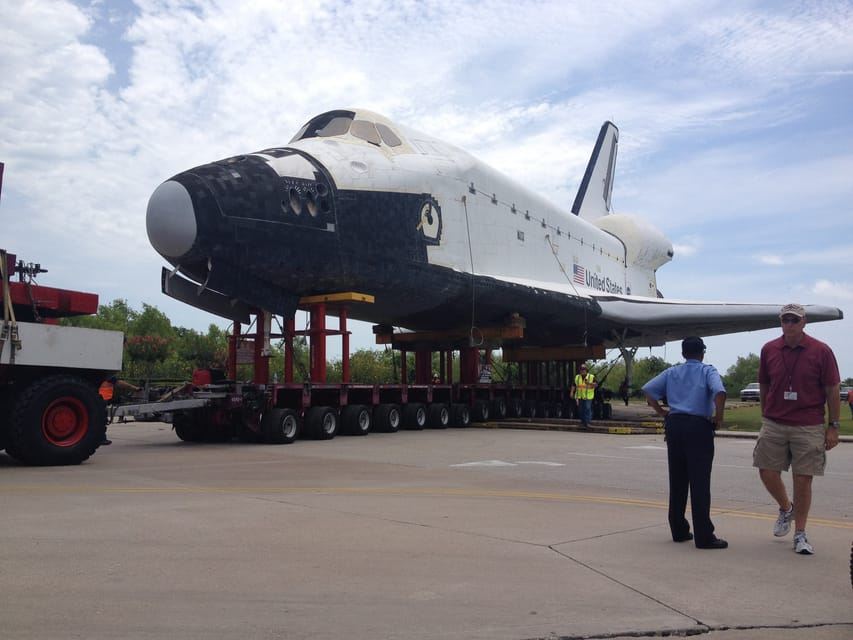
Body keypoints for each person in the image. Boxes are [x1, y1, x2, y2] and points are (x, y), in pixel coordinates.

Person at [753, 303, 841, 555]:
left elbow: (832, 389)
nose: (789, 324)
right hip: (775, 422)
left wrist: (833, 426)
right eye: (785, 320)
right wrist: (764, 413)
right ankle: (785, 508)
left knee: (803, 479)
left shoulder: (821, 351)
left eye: (794, 320)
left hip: (808, 424)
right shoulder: (769, 349)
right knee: (766, 470)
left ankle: (800, 534)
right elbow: (764, 383)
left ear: (804, 322)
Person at [642, 336, 728, 549]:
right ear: (703, 352)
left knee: (678, 480)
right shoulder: (708, 371)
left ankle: (679, 529)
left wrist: (662, 412)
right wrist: (719, 417)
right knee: (699, 482)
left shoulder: (672, 372)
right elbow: (719, 392)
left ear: (683, 354)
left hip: (675, 425)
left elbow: (648, 389)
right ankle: (704, 535)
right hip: (698, 426)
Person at [571, 363, 596, 429]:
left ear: (586, 370)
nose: (583, 371)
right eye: (581, 369)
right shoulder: (577, 377)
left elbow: (596, 385)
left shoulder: (591, 377)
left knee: (587, 408)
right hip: (580, 396)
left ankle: (588, 423)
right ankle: (583, 423)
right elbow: (574, 385)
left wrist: (589, 383)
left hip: (588, 396)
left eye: (584, 369)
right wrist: (571, 392)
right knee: (581, 410)